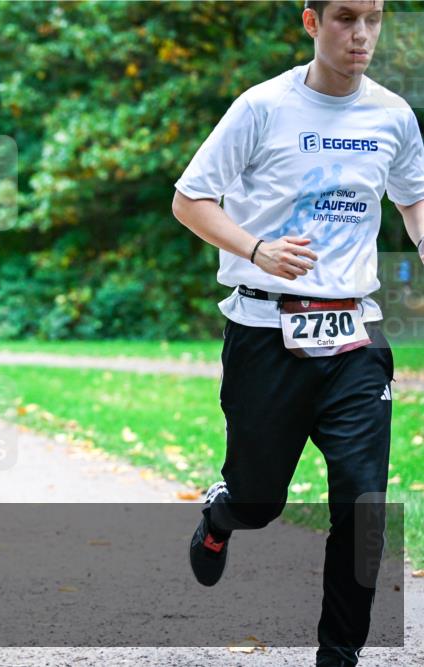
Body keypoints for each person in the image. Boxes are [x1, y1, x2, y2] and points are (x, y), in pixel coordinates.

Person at [172, 1, 424, 665]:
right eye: (345, 18)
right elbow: (190, 199)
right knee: (260, 499)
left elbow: (414, 197)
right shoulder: (262, 108)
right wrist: (257, 249)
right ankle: (225, 514)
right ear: (311, 23)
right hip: (264, 331)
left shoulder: (393, 116)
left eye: (373, 17)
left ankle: (338, 655)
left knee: (366, 504)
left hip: (354, 335)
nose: (362, 34)